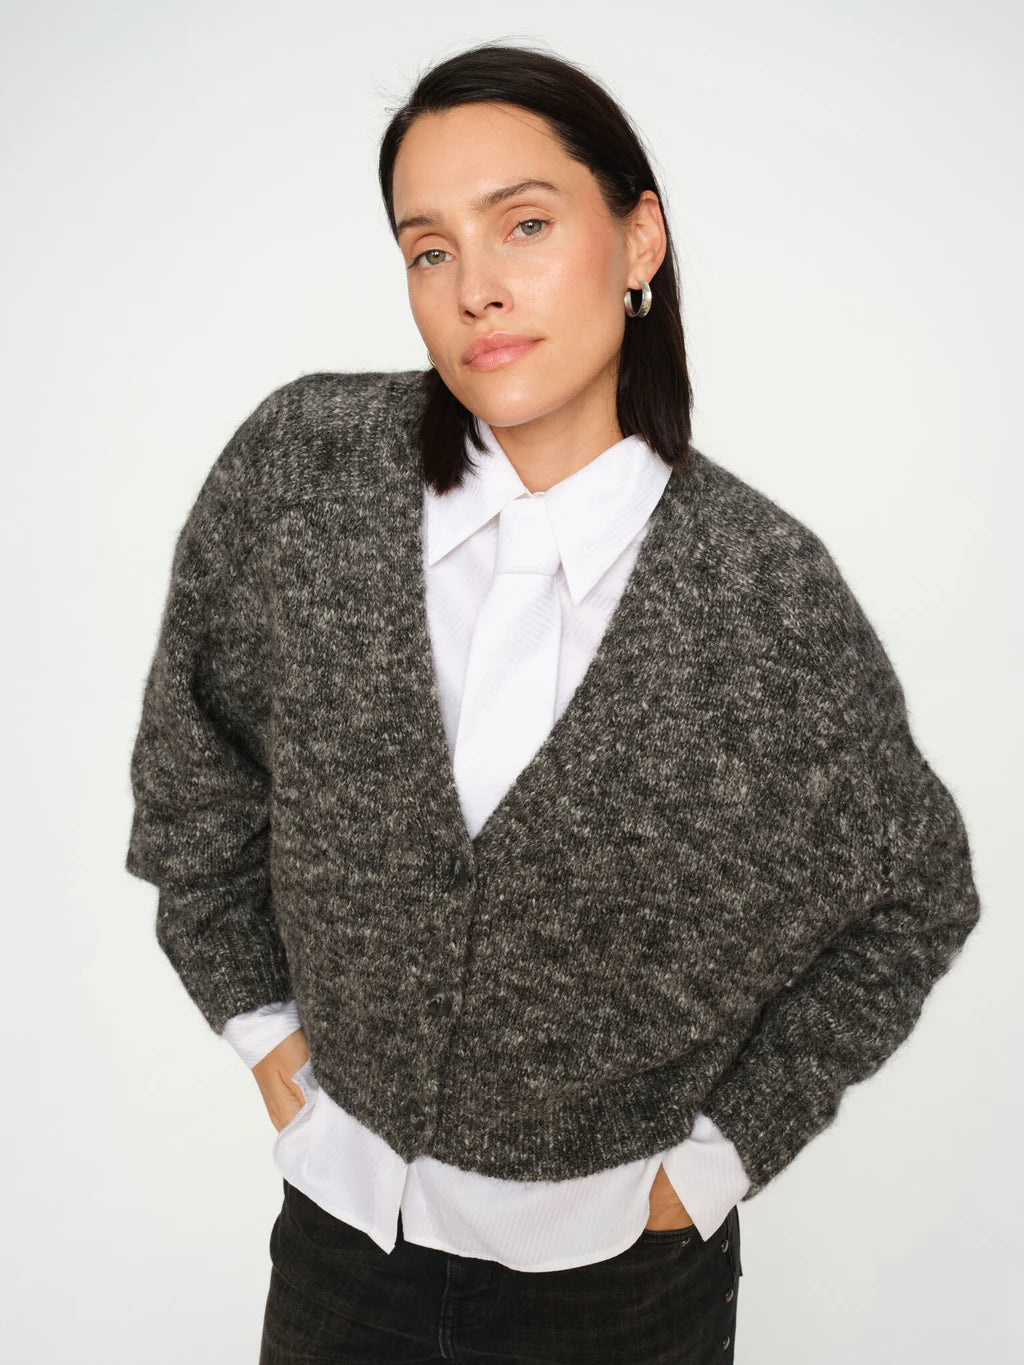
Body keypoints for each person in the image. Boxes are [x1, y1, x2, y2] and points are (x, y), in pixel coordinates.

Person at [124, 41, 981, 1365]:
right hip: (342, 1248)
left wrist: (718, 1157)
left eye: (523, 224)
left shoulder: (762, 591)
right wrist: (269, 1037)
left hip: (622, 1290)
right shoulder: (306, 470)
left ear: (640, 239)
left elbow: (915, 892)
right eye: (429, 249)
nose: (475, 287)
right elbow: (197, 775)